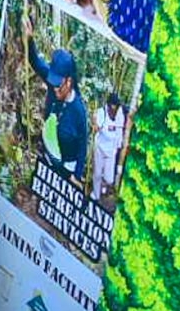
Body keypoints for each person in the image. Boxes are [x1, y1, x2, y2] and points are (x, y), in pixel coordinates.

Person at [28, 32, 90, 179]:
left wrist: (77, 174)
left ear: (69, 82)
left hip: (67, 166)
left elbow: (83, 144)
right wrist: (30, 38)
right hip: (48, 153)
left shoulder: (78, 111)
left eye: (58, 85)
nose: (54, 89)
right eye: (53, 83)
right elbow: (35, 61)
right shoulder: (53, 83)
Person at [91, 93, 127, 202]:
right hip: (100, 147)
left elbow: (119, 132)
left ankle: (103, 186)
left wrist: (118, 146)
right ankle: (95, 194)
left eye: (116, 106)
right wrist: (95, 123)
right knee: (97, 173)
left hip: (111, 150)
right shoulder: (102, 113)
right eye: (113, 105)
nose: (115, 108)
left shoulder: (120, 115)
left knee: (109, 179)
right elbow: (97, 127)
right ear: (109, 105)